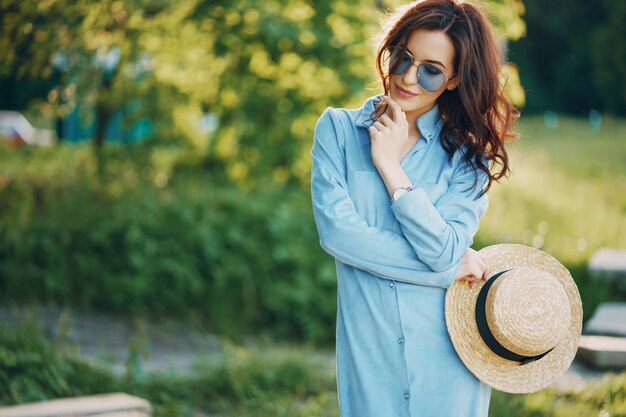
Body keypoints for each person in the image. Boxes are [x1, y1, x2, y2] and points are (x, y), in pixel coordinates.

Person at [309, 0, 518, 416]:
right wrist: (445, 269)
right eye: (403, 57)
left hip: (450, 367)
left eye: (430, 69)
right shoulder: (337, 131)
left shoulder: (467, 160)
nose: (407, 77)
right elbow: (339, 236)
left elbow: (443, 249)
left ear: (455, 78)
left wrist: (389, 167)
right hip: (370, 363)